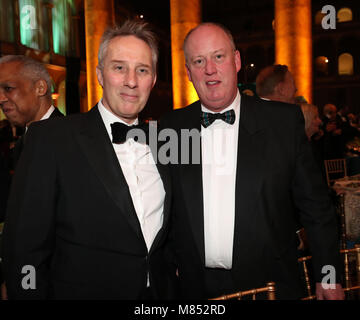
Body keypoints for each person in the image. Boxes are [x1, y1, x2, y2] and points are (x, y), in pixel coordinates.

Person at [160, 22, 344, 300]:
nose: (210, 68)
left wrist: (328, 277)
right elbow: (161, 209)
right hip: (194, 290)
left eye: (218, 56)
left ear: (236, 61)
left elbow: (317, 210)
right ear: (188, 72)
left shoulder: (282, 123)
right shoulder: (171, 128)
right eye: (199, 61)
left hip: (270, 287)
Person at [2, 20, 172, 299]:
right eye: (119, 67)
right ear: (100, 75)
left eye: (142, 70)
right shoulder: (51, 139)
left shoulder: (164, 141)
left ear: (153, 80)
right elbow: (23, 250)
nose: (131, 80)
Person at [0, 55, 64, 168]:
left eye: (8, 88)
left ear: (40, 88)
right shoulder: (21, 144)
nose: (1, 99)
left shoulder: (70, 140)